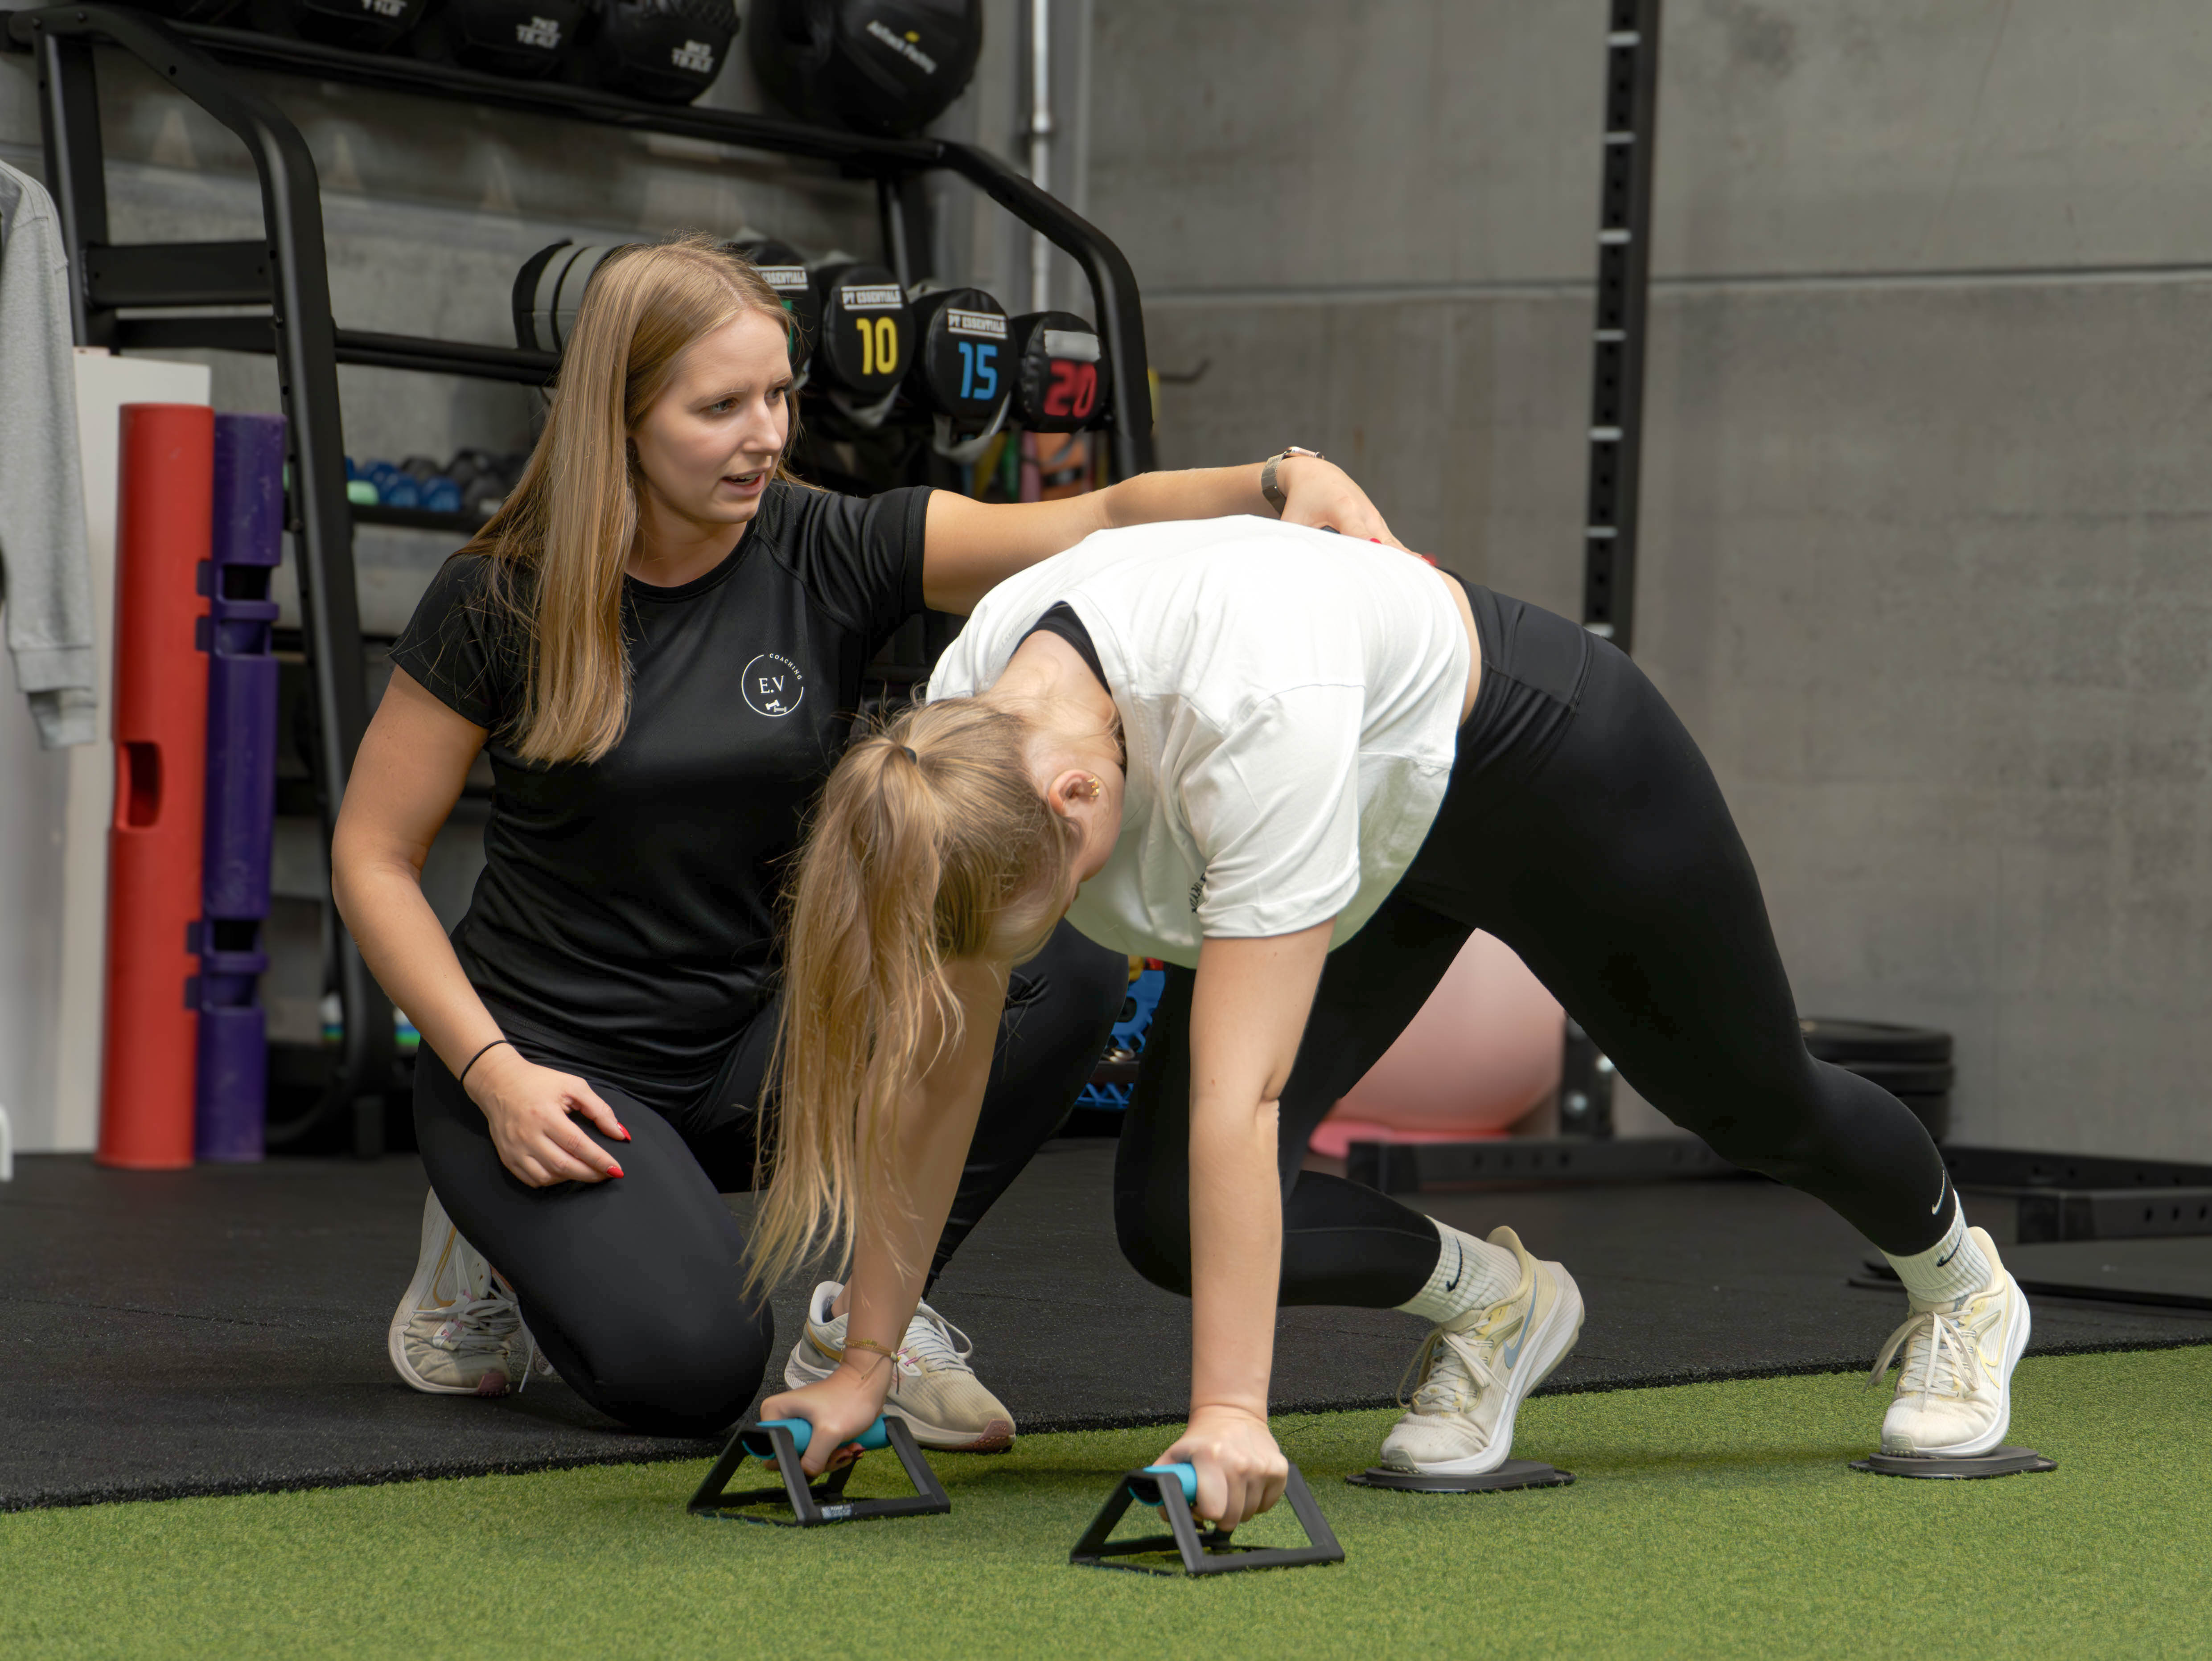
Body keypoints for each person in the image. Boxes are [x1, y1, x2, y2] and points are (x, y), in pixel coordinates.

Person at [330, 235, 1409, 1442]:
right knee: (691, 1376)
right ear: (619, 421)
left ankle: (868, 1323)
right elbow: (372, 857)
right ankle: (480, 1242)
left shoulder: (821, 546)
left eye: (778, 395)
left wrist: (1278, 479)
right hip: (554, 1067)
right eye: (720, 407)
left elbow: (1099, 519)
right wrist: (491, 1073)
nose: (767, 435)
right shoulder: (500, 598)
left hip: (769, 1040)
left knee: (1060, 970)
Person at [752, 516, 2033, 1527]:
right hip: (1364, 822)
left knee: (1754, 1105)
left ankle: (1963, 1287)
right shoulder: (962, 745)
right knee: (1172, 1220)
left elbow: (1241, 1099)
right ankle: (1502, 1306)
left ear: (1079, 797)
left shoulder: (1247, 713)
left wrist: (1231, 1412)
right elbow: (947, 1068)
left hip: (1541, 769)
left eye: (1066, 898)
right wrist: (866, 1362)